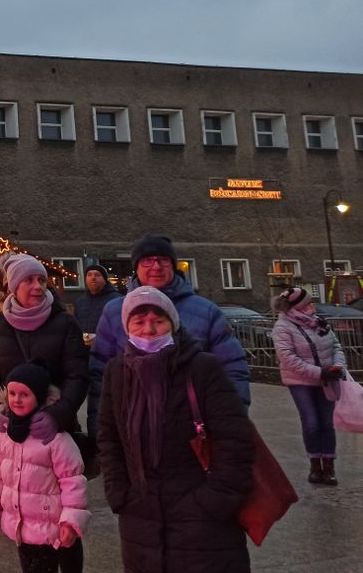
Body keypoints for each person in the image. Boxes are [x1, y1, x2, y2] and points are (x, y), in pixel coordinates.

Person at [99, 287, 254, 573]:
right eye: (139, 322)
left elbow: (235, 439)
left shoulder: (202, 368)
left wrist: (215, 500)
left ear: (173, 324)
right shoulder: (117, 372)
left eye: (158, 321)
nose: (148, 330)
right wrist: (119, 492)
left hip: (203, 522)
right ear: (127, 328)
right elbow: (109, 437)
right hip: (141, 519)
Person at [88, 234, 250, 434]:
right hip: (133, 426)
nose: (156, 267)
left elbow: (232, 367)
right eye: (147, 261)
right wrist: (99, 428)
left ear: (173, 265)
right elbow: (100, 373)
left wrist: (231, 420)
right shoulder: (114, 312)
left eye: (163, 260)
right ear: (136, 267)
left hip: (192, 425)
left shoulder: (206, 311)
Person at [0, 254, 89, 464]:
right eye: (29, 280)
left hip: (52, 437)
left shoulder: (65, 323)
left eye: (41, 280)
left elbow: (78, 376)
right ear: (13, 287)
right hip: (9, 433)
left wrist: (57, 414)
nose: (38, 286)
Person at [0, 362, 89, 573]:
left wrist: (70, 522)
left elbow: (72, 481)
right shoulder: (4, 433)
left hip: (50, 527)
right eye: (12, 393)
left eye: (25, 395)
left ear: (38, 397)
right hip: (20, 526)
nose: (17, 399)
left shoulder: (55, 438)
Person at [270, 286, 346, 485]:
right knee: (311, 422)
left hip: (327, 378)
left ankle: (329, 466)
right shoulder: (283, 327)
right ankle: (315, 465)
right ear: (298, 306)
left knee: (326, 423)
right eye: (308, 302)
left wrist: (338, 366)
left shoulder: (319, 322)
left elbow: (336, 346)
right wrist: (319, 372)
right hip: (301, 381)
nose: (313, 305)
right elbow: (288, 358)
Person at [73, 264, 117, 335]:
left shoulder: (116, 300)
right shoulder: (80, 302)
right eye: (89, 275)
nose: (93, 277)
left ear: (105, 280)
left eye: (97, 275)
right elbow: (75, 327)